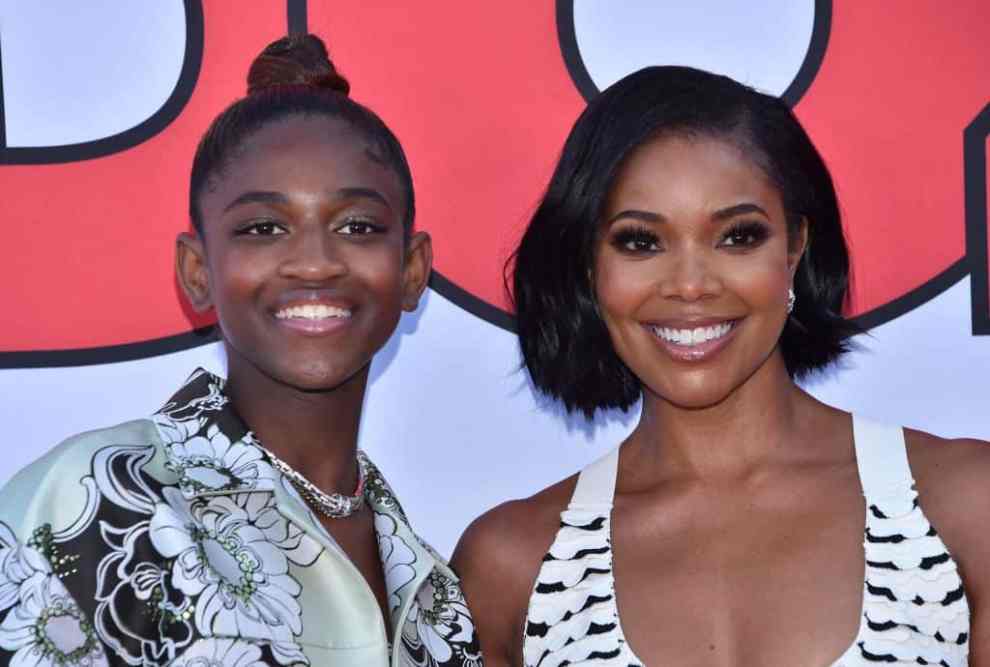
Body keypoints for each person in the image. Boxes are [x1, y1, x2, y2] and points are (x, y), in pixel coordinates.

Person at [452, 66, 989, 666]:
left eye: (737, 236)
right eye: (640, 241)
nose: (690, 285)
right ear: (587, 267)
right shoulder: (510, 568)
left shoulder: (967, 506)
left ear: (795, 247)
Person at [0, 35, 480, 667]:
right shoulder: (91, 504)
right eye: (263, 228)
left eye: (357, 226)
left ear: (412, 270)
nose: (315, 263)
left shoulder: (436, 592)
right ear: (198, 271)